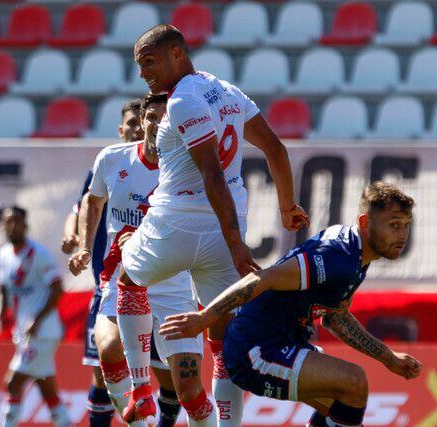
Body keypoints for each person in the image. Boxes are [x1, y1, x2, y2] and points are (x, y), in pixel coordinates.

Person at [116, 24, 310, 424]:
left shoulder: (183, 102)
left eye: (148, 62)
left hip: (176, 225)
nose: (142, 74)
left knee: (128, 278)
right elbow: (275, 147)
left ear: (176, 54)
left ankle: (139, 388)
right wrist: (286, 206)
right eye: (139, 66)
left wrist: (239, 245)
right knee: (222, 338)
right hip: (224, 231)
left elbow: (212, 175)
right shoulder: (225, 90)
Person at [160, 181, 422, 427]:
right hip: (256, 349)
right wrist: (205, 318)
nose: (402, 235)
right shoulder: (337, 259)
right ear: (365, 222)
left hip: (281, 342)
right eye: (394, 224)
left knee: (347, 402)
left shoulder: (354, 253)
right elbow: (265, 278)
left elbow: (335, 317)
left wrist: (388, 358)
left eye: (406, 225)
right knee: (354, 381)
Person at [71, 93, 214, 426]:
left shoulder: (188, 171)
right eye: (151, 117)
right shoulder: (111, 159)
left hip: (174, 287)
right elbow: (92, 203)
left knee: (189, 391)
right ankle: (139, 421)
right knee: (106, 350)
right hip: (119, 277)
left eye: (165, 118)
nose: (156, 124)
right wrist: (84, 247)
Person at [0, 206, 71, 427]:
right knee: (47, 389)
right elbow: (2, 290)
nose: (12, 226)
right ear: (2, 225)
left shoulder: (39, 254)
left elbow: (58, 288)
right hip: (24, 332)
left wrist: (37, 319)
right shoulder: (3, 255)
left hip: (42, 332)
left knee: (12, 383)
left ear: (26, 225)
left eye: (16, 221)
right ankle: (64, 423)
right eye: (7, 221)